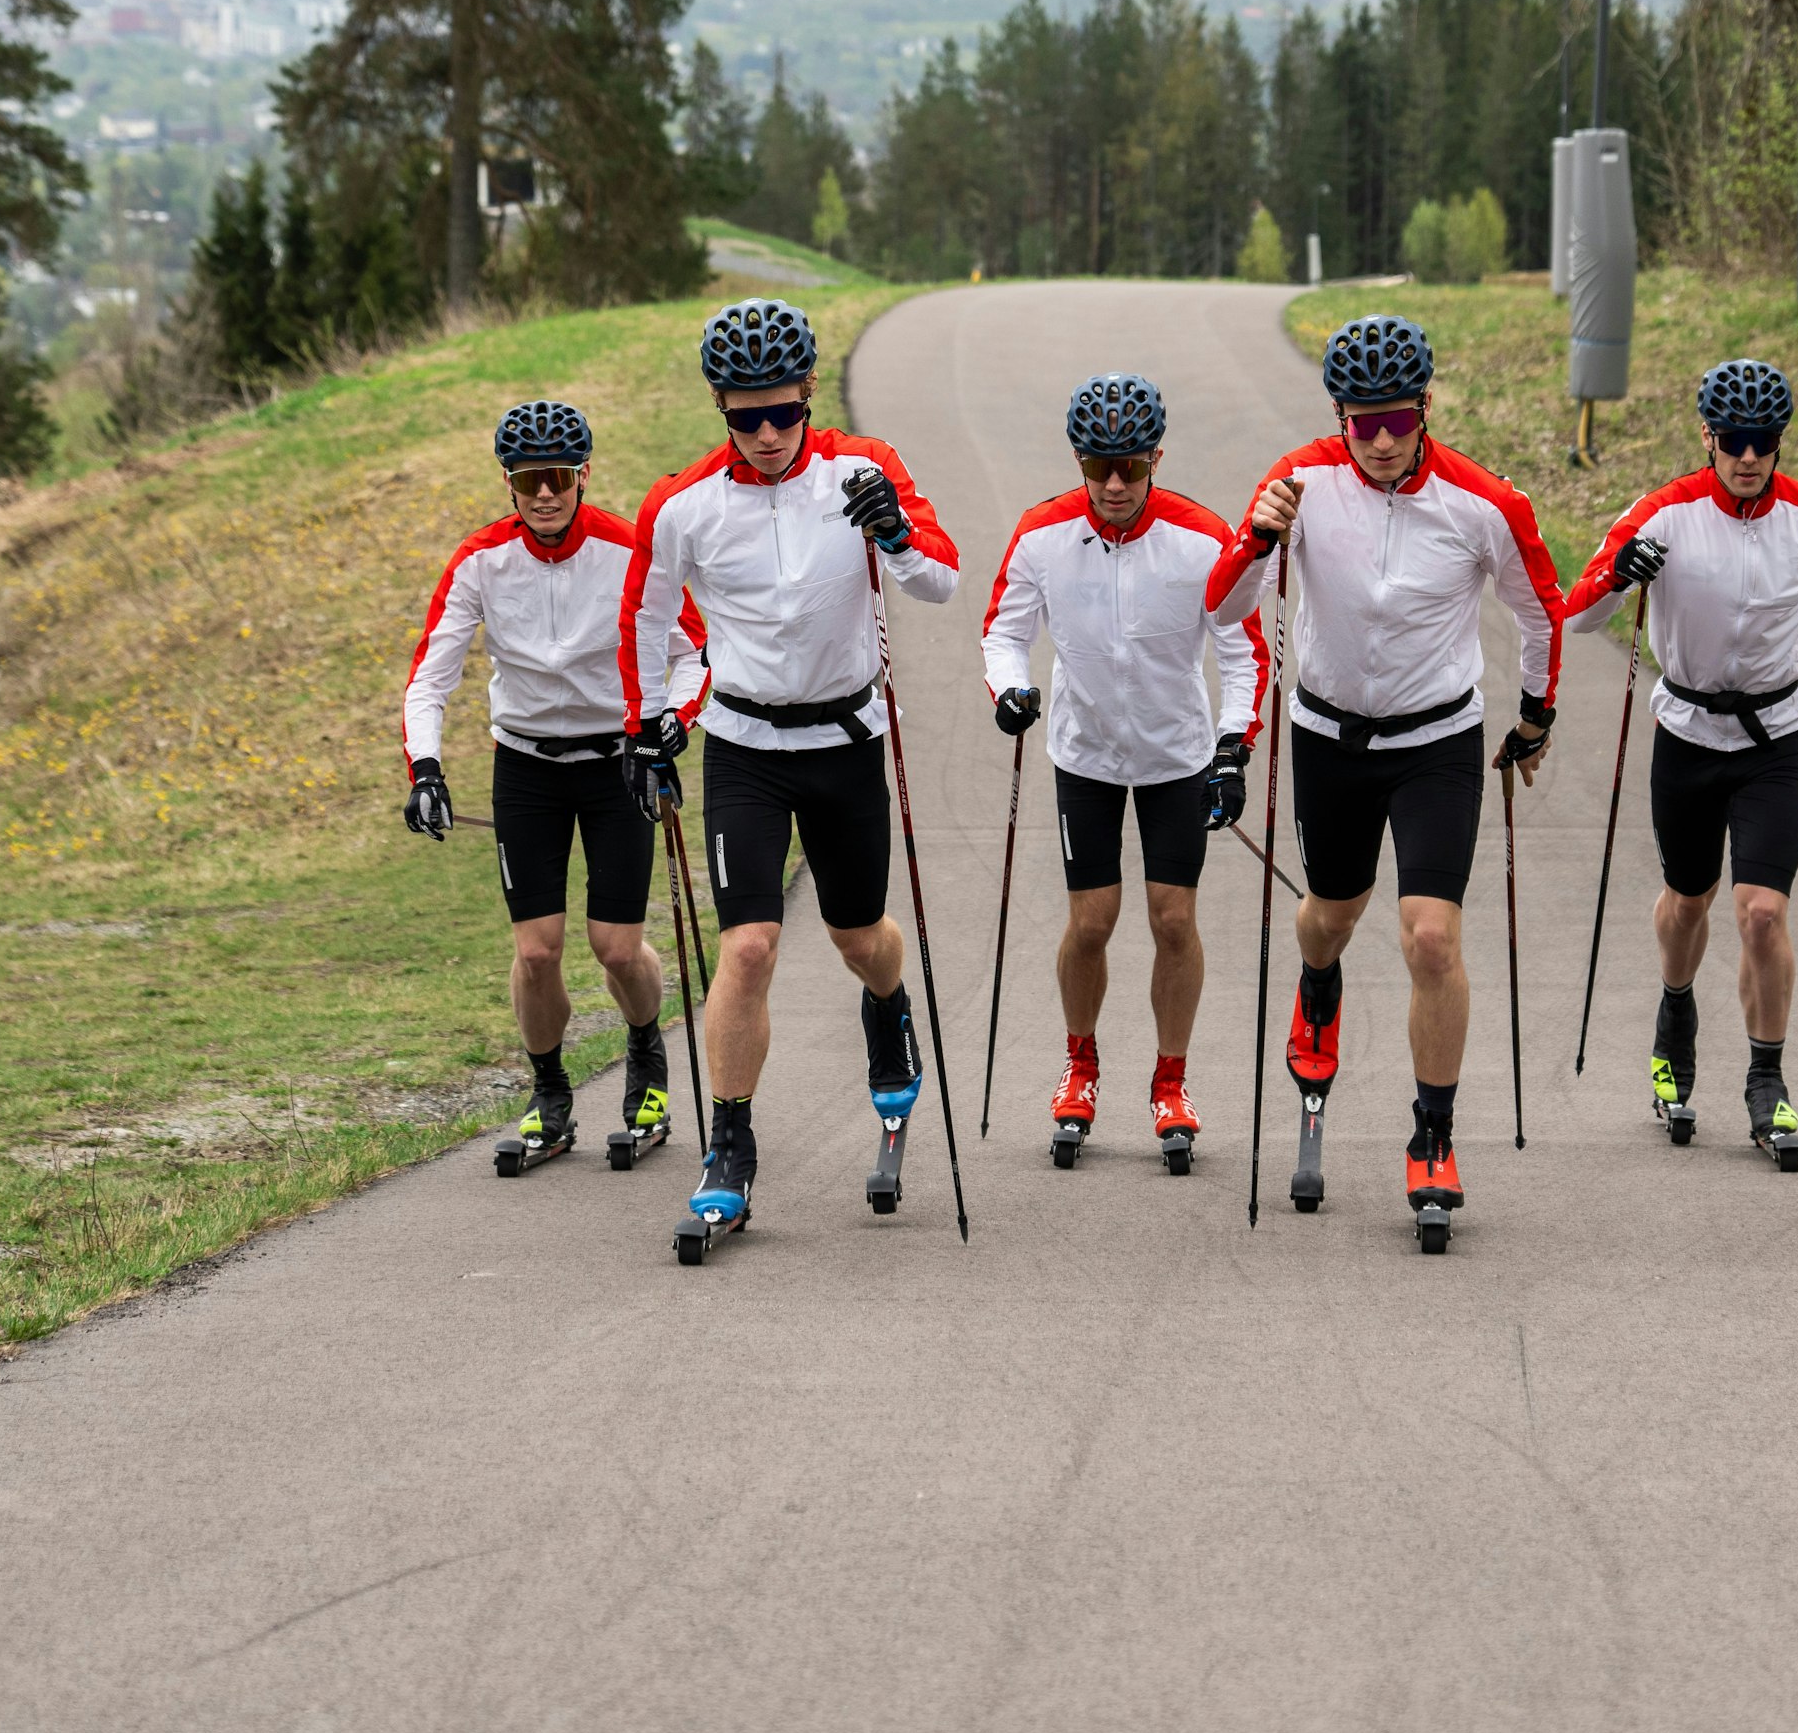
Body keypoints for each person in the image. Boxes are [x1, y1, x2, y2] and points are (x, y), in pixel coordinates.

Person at [1207, 313, 1564, 1226]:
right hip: (1329, 736)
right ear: (1338, 416)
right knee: (1330, 917)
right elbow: (1220, 610)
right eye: (1357, 421)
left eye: (1395, 420)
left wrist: (1535, 711)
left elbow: (1541, 612)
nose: (1376, 441)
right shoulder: (1301, 481)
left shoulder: (1484, 503)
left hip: (1437, 742)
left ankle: (1432, 1137)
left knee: (1430, 938)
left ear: (1426, 410)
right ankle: (1317, 986)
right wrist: (1256, 538)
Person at [618, 296, 960, 1246]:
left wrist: (893, 531)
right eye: (743, 416)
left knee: (861, 939)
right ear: (719, 407)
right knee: (750, 947)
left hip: (845, 743)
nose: (767, 435)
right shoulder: (682, 504)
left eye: (783, 412)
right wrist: (647, 728)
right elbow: (644, 622)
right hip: (744, 749)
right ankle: (729, 1146)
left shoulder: (864, 467)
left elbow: (942, 577)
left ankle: (888, 1008)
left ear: (810, 391)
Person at [1559, 358, 1798, 1167]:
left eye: (1763, 442)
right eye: (1733, 440)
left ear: (1779, 443)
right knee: (1689, 902)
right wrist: (1617, 577)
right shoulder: (1662, 514)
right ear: (1707, 436)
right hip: (1688, 736)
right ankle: (1674, 1010)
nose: (1747, 457)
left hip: (1774, 741)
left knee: (1762, 910)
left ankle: (1766, 1078)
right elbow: (1579, 616)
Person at [402, 401, 707, 1170]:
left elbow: (698, 650)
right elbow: (429, 678)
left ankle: (646, 1052)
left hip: (615, 762)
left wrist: (669, 724)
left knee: (615, 947)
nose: (546, 495)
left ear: (584, 477)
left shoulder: (627, 548)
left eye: (560, 478)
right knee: (536, 954)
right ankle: (550, 1093)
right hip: (527, 767)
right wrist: (426, 770)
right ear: (509, 483)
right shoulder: (480, 560)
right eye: (530, 479)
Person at [978, 372, 1268, 1169]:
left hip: (1177, 755)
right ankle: (1080, 1066)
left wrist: (1232, 746)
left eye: (1131, 468)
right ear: (1078, 460)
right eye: (1097, 467)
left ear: (1156, 459)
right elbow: (1002, 633)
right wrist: (1012, 688)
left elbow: (1244, 651)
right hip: (1087, 753)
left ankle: (1170, 1082)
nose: (1113, 486)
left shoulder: (1205, 537)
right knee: (1092, 922)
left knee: (1173, 920)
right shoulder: (1041, 534)